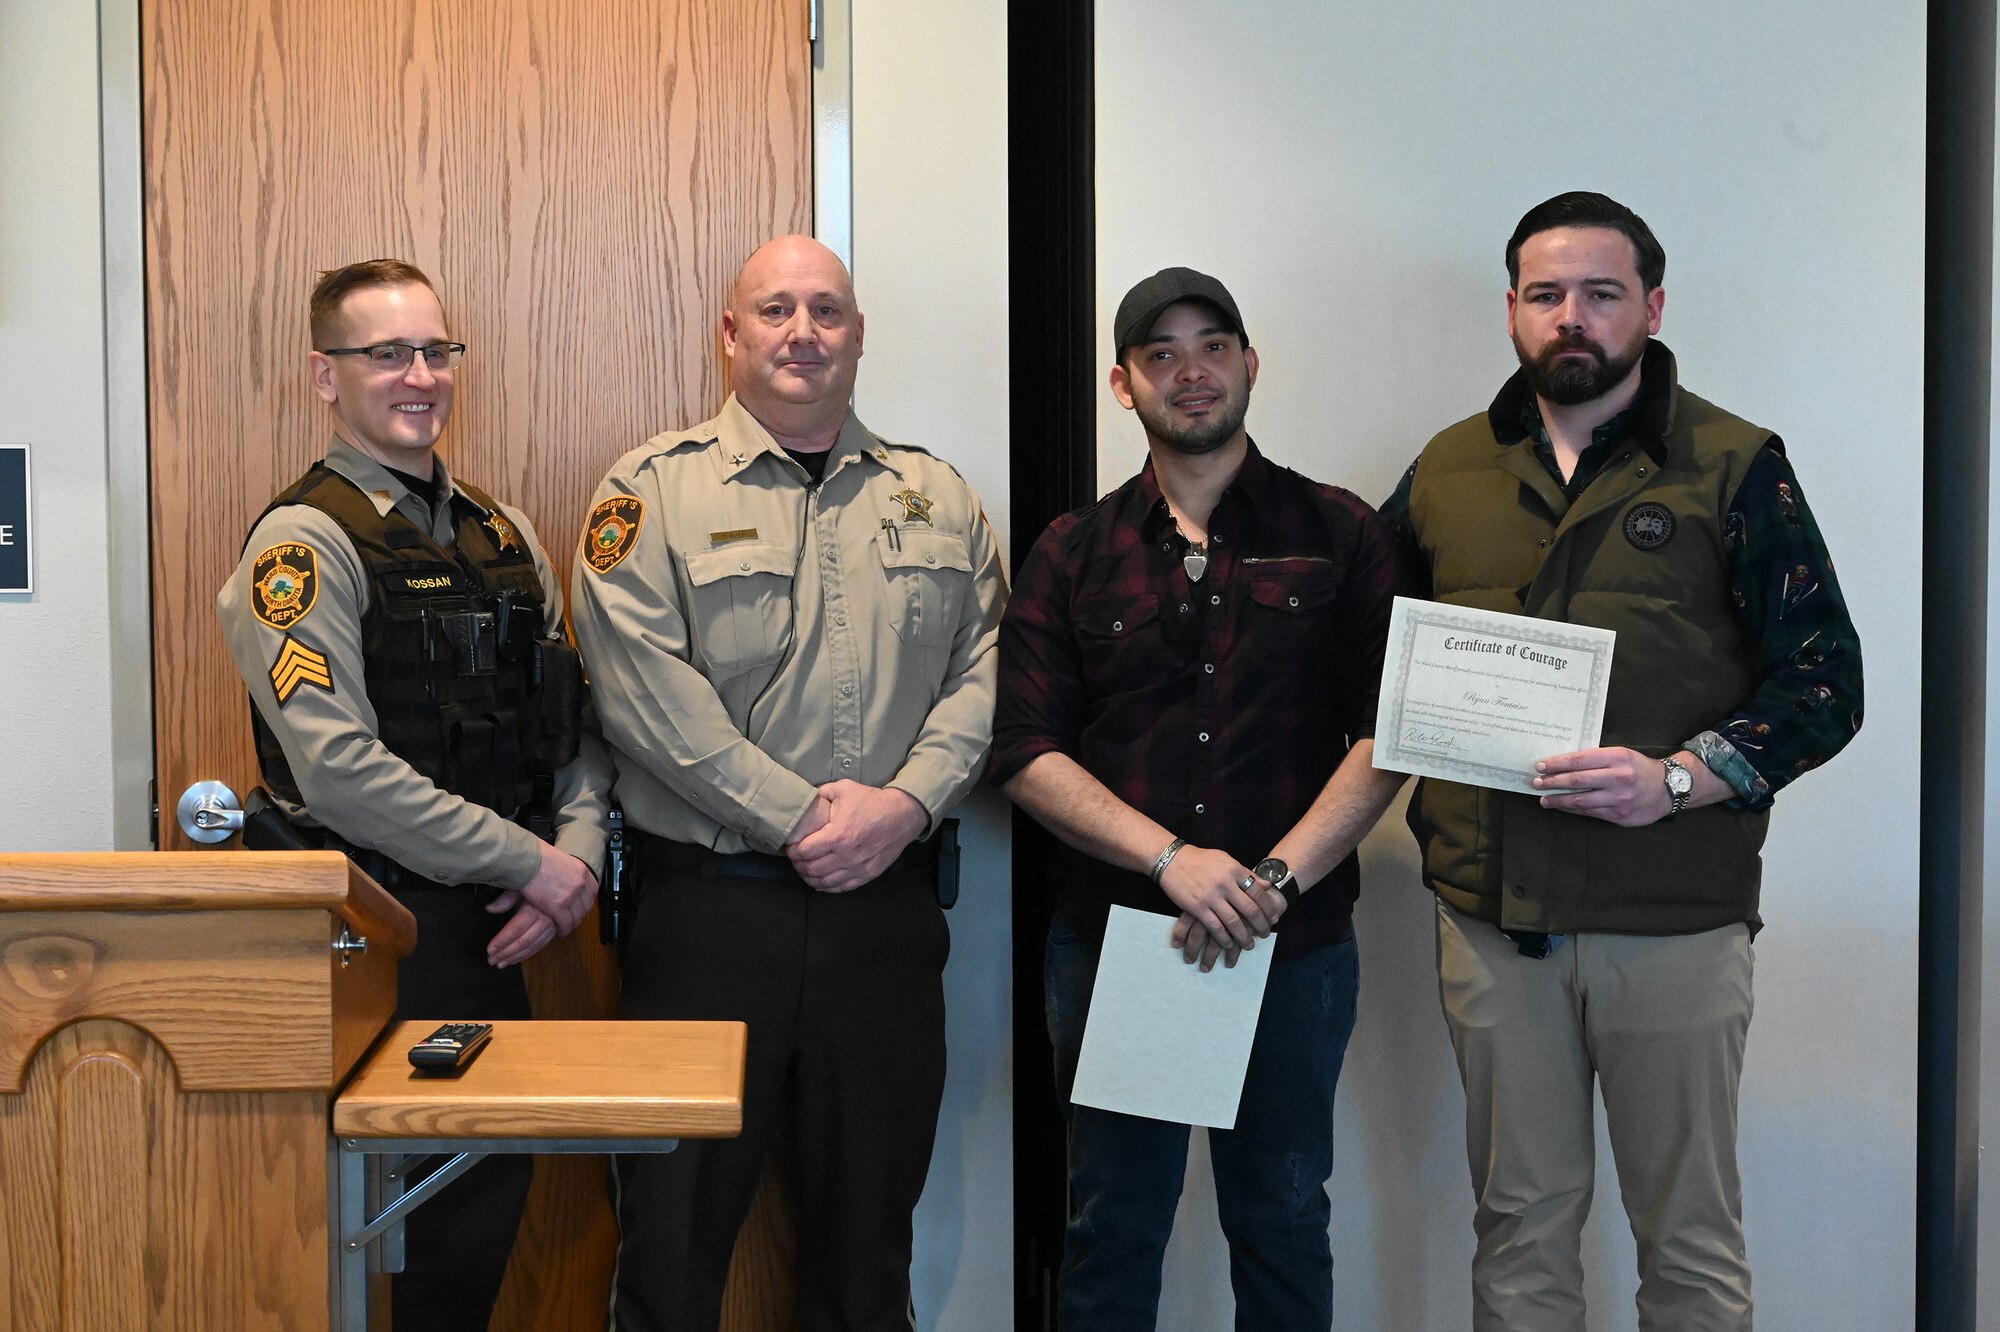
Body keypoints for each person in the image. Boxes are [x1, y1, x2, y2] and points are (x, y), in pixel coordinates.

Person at [1380, 192, 1864, 1331]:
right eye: (1544, 295)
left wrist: (1678, 778)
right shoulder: (1445, 469)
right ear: (1509, 312)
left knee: (1687, 1244)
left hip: (1675, 926)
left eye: (1599, 294)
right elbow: (1373, 667)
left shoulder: (1736, 463)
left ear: (1649, 306)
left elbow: (1824, 682)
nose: (1571, 318)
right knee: (1517, 1233)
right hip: (1493, 924)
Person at [570, 234, 1006, 1332]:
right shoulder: (647, 492)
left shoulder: (937, 497)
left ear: (857, 336)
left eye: (826, 311)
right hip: (707, 917)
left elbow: (986, 672)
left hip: (884, 920)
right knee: (670, 1244)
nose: (801, 333)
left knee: (868, 1249)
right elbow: (640, 695)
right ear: (730, 336)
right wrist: (801, 819)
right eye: (773, 310)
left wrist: (903, 808)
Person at [991, 267, 1410, 1330]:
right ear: (1121, 386)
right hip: (1124, 942)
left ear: (1250, 363)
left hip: (1293, 940)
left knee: (1277, 1221)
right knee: (1112, 1227)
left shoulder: (1339, 533)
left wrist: (1270, 877)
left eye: (1213, 344)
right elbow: (1022, 747)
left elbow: (1388, 731)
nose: (1191, 372)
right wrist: (1172, 863)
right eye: (1160, 354)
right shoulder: (1070, 551)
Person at [217, 259, 610, 1329]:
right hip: (369, 942)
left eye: (436, 350)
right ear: (323, 374)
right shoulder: (301, 547)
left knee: (476, 1221)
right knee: (351, 1236)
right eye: (386, 352)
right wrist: (537, 865)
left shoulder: (504, 533)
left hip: (499, 933)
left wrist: (570, 863)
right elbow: (338, 770)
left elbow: (568, 723)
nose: (420, 374)